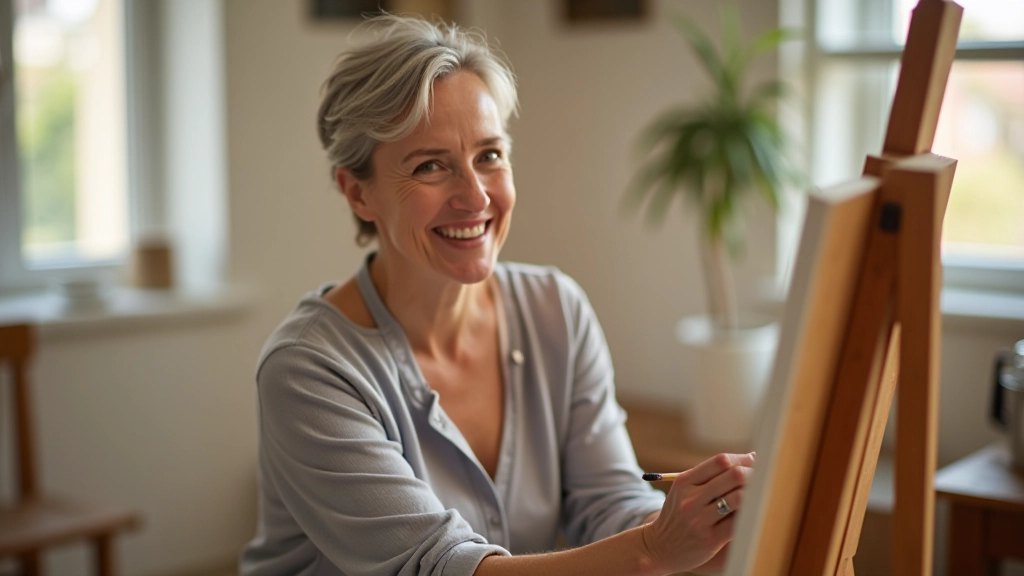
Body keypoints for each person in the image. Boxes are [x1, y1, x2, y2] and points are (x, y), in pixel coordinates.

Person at [240, 14, 755, 576]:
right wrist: (654, 548)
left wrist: (708, 527)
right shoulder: (308, 369)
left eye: (489, 155)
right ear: (357, 193)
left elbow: (609, 505)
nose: (476, 196)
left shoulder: (557, 310)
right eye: (430, 165)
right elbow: (440, 568)